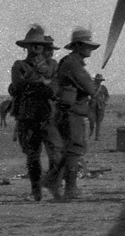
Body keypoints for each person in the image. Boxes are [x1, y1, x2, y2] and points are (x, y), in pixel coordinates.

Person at [42, 26, 100, 202]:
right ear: (78, 46)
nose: (90, 49)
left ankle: (53, 180)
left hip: (71, 111)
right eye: (87, 45)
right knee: (75, 148)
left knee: (72, 149)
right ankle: (70, 188)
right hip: (71, 112)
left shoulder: (71, 62)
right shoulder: (73, 64)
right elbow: (90, 88)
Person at [7, 24, 62, 201]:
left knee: (56, 154)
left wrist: (35, 86)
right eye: (32, 44)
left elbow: (54, 88)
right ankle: (36, 191)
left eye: (38, 44)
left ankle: (52, 184)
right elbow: (17, 85)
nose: (36, 47)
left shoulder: (53, 65)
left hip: (49, 116)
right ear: (27, 47)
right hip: (28, 117)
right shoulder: (19, 65)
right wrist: (42, 83)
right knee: (33, 157)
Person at [90, 74, 109, 140]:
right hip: (92, 105)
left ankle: (97, 137)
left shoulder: (103, 87)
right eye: (97, 80)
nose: (99, 81)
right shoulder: (90, 86)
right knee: (91, 121)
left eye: (100, 80)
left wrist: (104, 102)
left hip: (100, 106)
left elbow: (107, 95)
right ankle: (90, 134)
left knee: (98, 122)